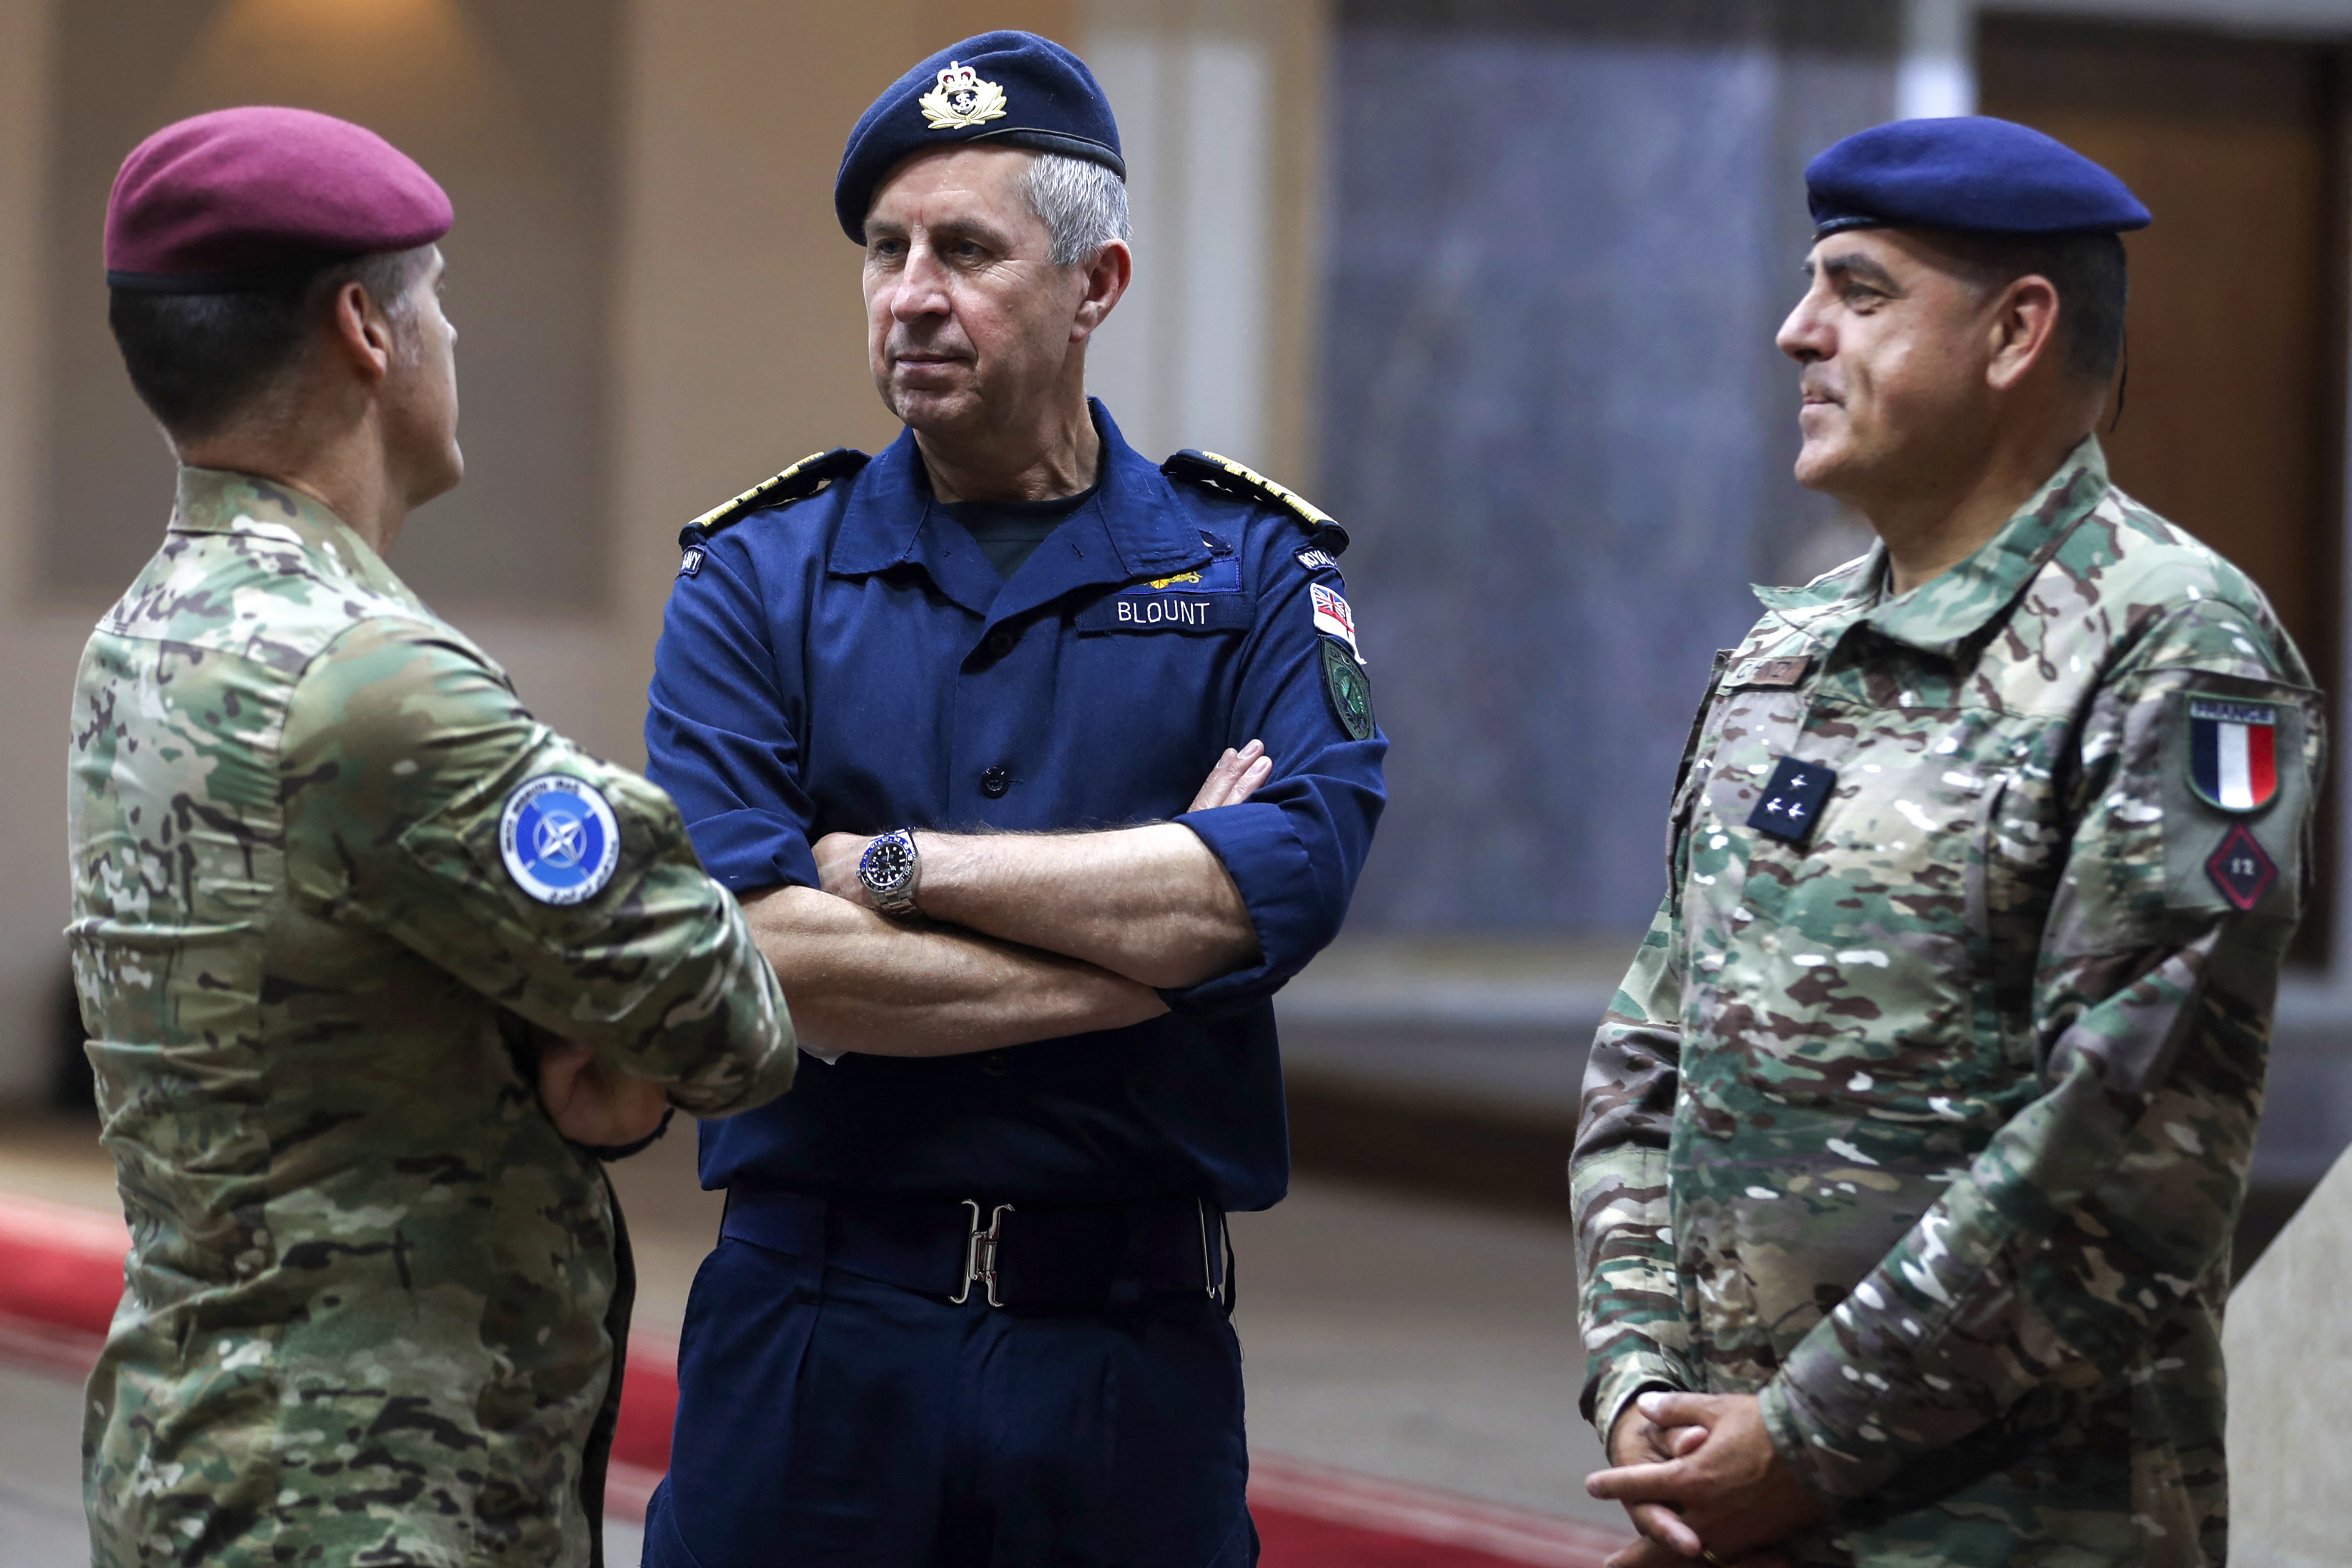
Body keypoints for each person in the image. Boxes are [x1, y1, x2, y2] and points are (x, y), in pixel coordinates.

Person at [639, 30, 1386, 1567]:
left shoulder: (1247, 573)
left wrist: (892, 868)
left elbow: (1280, 881)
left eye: (966, 251)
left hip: (1124, 1349)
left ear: (1094, 285)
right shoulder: (756, 581)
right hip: (811, 1332)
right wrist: (1136, 970)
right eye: (886, 250)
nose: (912, 292)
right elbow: (750, 953)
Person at [1573, 116, 2323, 1568]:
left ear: (2016, 332)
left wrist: (1802, 1445)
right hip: (1725, 1505)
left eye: (1857, 293)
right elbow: (1648, 1058)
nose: (1796, 334)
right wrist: (1641, 1384)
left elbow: (2131, 1152)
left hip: (2014, 1527)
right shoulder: (1788, 652)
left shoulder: (2178, 652)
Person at [67, 107, 798, 1568]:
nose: (454, 333)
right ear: (365, 327)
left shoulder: (141, 636)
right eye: (438, 295)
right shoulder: (376, 682)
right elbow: (725, 1018)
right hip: (374, 1498)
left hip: (203, 1461)